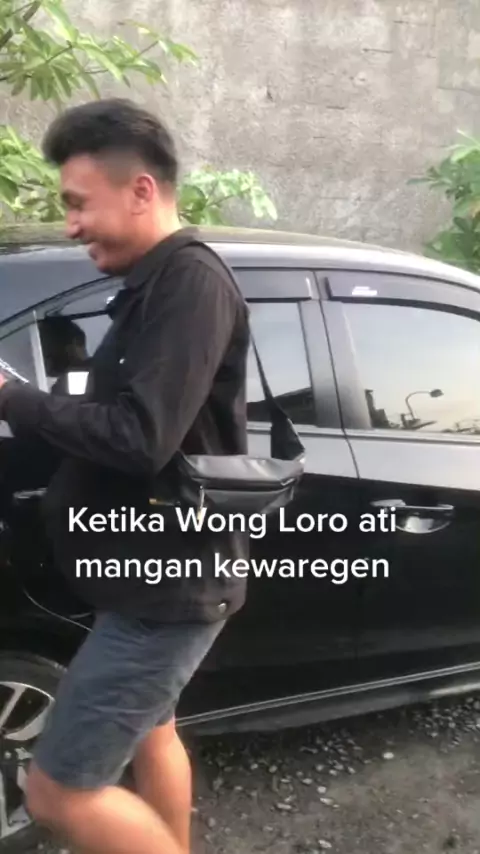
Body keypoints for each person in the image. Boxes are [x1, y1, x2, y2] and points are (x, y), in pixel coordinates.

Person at [0, 99, 250, 854]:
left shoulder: (190, 284)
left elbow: (141, 438)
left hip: (165, 592)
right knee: (153, 732)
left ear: (141, 190)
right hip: (146, 576)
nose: (71, 225)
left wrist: (12, 399)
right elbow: (127, 414)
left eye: (79, 204)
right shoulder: (154, 283)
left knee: (58, 792)